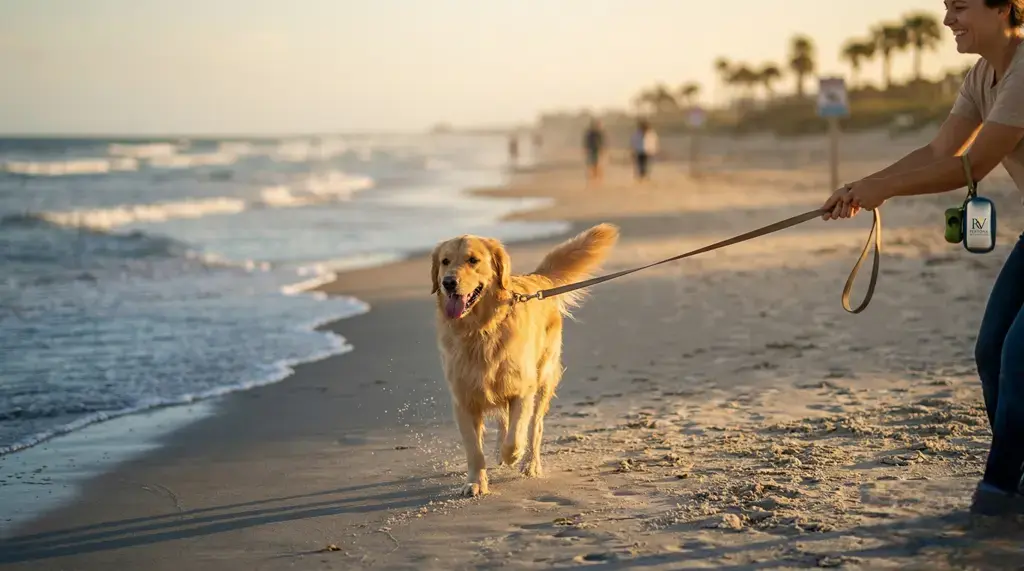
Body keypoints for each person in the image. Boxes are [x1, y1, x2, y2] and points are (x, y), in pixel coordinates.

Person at [821, 0, 1024, 517]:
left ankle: (998, 491)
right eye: (946, 7)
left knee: (1019, 358)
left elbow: (971, 165)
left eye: (960, 7)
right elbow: (939, 152)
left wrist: (884, 189)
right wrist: (862, 186)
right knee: (990, 351)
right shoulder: (982, 76)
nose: (948, 20)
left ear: (1005, 8)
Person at [582, 118, 606, 185]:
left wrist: (602, 149)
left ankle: (597, 177)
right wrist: (585, 149)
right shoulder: (590, 133)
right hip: (591, 150)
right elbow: (586, 142)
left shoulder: (598, 133)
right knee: (592, 164)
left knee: (596, 164)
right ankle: (593, 177)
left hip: (596, 150)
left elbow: (601, 142)